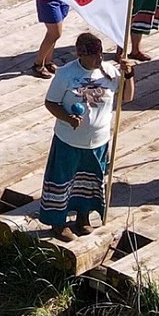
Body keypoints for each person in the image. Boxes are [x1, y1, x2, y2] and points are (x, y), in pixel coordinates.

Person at [39, 33, 135, 241]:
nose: (98, 58)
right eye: (93, 55)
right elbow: (51, 103)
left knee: (90, 181)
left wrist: (129, 76)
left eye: (100, 53)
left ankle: (83, 217)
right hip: (69, 140)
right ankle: (58, 222)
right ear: (81, 55)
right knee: (63, 181)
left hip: (98, 141)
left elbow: (126, 97)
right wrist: (68, 118)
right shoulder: (65, 74)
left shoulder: (110, 72)